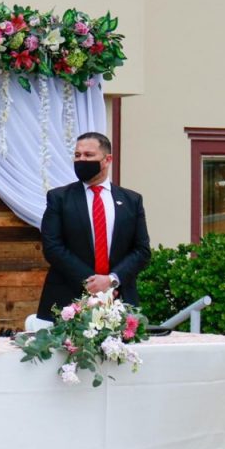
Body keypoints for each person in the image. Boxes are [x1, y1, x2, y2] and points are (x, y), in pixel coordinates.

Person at [37, 132, 151, 321]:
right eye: (77, 155)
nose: (81, 160)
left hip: (119, 301)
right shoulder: (59, 198)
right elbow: (53, 247)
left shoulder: (131, 201)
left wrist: (111, 281)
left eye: (88, 155)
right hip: (67, 301)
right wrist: (92, 282)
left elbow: (141, 251)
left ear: (107, 160)